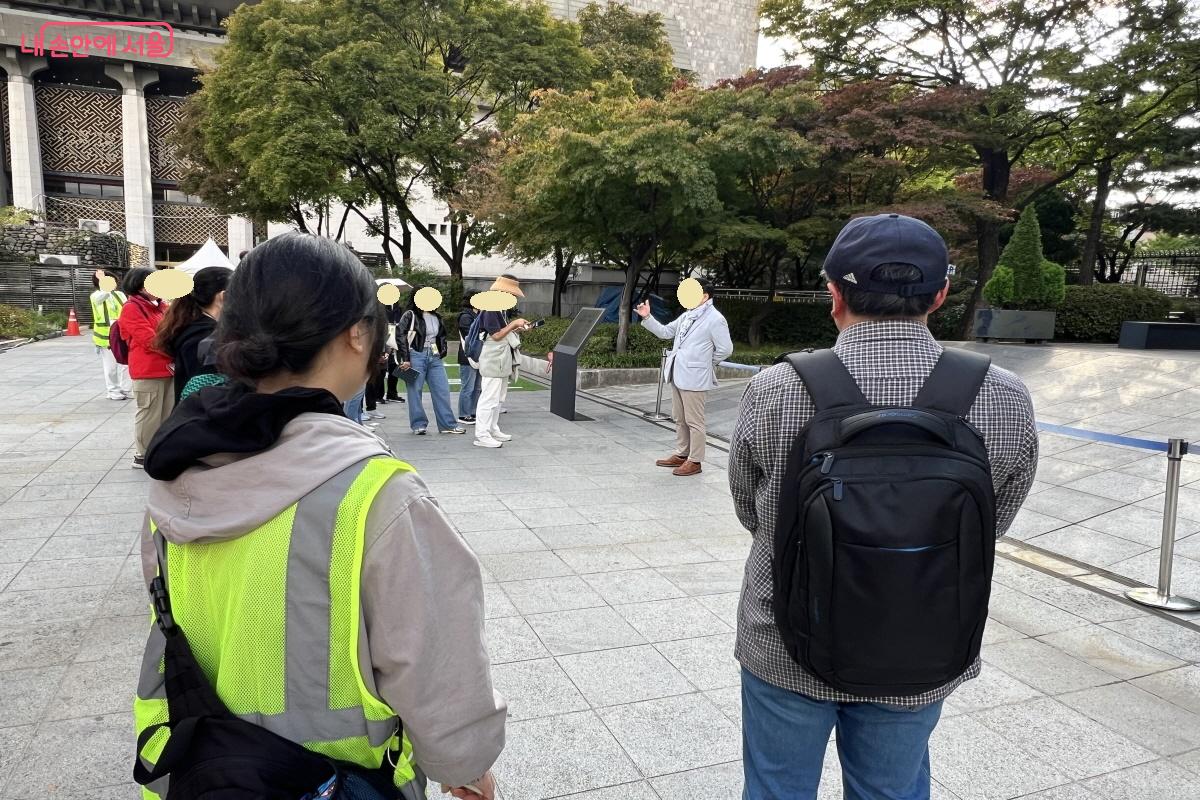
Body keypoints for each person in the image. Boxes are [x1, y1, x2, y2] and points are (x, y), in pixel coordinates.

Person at [134, 232, 504, 800]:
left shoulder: (178, 467)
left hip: (202, 772)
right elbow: (432, 660)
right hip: (331, 782)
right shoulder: (375, 493)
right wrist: (465, 764)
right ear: (356, 333)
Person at [728, 213, 1039, 800]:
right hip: (922, 638)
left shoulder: (777, 388)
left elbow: (752, 509)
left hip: (786, 636)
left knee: (776, 788)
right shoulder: (1001, 394)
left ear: (834, 293)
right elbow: (993, 520)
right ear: (940, 295)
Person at [636, 278, 733, 476]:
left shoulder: (716, 319)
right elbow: (665, 333)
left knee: (694, 420)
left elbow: (726, 349)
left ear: (704, 296)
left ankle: (695, 461)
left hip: (695, 377)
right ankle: (682, 454)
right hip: (678, 373)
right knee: (679, 418)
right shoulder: (687, 315)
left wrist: (703, 363)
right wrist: (648, 317)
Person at [117, 267, 174, 469]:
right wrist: (176, 351)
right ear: (141, 286)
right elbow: (150, 340)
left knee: (166, 414)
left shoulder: (160, 306)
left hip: (167, 369)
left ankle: (160, 450)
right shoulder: (131, 308)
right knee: (149, 414)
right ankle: (142, 455)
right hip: (148, 371)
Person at [152, 266, 232, 403]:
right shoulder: (206, 335)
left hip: (192, 408)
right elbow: (209, 387)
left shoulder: (192, 325)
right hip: (202, 409)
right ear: (223, 296)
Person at [396, 288, 464, 435]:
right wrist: (406, 358)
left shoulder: (436, 316)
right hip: (416, 355)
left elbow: (441, 336)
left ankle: (447, 425)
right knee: (415, 392)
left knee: (442, 390)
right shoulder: (410, 315)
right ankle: (418, 425)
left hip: (434, 356)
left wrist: (442, 350)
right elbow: (400, 335)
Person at [473, 275, 527, 449]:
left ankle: (492, 428)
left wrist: (515, 327)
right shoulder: (491, 307)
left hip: (500, 358)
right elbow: (496, 335)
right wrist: (514, 324)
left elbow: (500, 332)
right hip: (493, 358)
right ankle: (482, 434)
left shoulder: (499, 308)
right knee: (489, 397)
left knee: (498, 398)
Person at [89, 268, 132, 400]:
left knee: (126, 364)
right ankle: (113, 391)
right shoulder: (96, 295)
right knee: (111, 367)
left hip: (121, 334)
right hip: (105, 337)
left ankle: (126, 389)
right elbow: (102, 297)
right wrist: (103, 280)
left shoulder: (119, 295)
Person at [456, 291, 482, 424]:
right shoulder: (465, 316)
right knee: (468, 387)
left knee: (477, 387)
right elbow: (470, 334)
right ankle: (463, 414)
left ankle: (473, 412)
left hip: (478, 355)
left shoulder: (478, 314)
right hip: (468, 356)